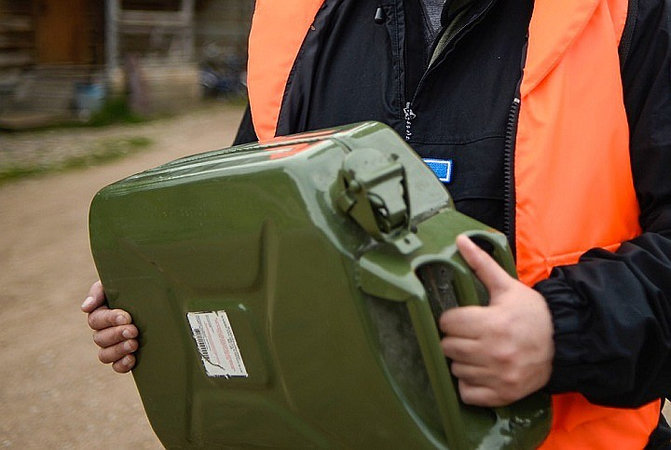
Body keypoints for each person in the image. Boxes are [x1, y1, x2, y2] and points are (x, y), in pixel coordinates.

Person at [83, 0, 671, 447]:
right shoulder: (296, 16)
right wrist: (159, 290)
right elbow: (249, 216)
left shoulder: (628, 14)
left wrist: (562, 332)